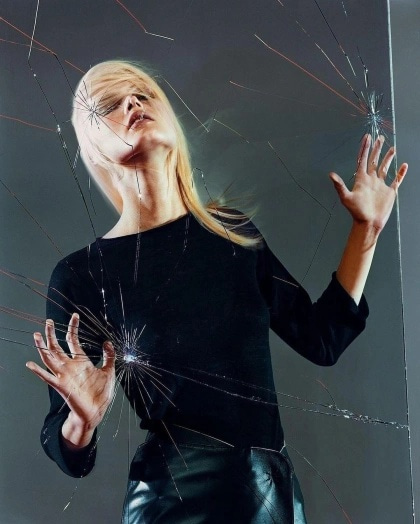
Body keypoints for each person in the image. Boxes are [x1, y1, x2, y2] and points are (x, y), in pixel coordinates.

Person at [26, 60, 408, 523]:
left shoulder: (231, 233)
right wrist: (81, 421)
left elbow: (321, 338)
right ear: (93, 146)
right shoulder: (83, 274)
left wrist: (366, 229)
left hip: (270, 496)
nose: (132, 102)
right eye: (108, 103)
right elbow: (64, 448)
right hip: (175, 501)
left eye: (143, 93)